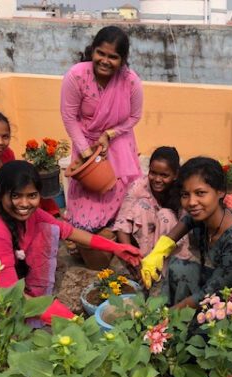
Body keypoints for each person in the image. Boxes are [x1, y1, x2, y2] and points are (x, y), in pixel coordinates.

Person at [0, 161, 141, 299]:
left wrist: (116, 247)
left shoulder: (32, 214)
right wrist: (70, 320)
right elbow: (10, 292)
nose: (24, 203)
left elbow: (70, 232)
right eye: (15, 195)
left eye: (31, 195)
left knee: (47, 229)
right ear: (0, 194)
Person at [140, 156, 232, 335]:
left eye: (200, 193)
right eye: (186, 195)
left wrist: (168, 317)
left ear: (220, 192)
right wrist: (158, 251)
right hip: (227, 288)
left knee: (197, 332)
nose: (192, 202)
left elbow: (208, 293)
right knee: (178, 267)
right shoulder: (205, 215)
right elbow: (183, 225)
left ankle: (177, 332)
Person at [61, 25, 143, 232]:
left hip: (119, 141)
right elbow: (69, 117)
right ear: (92, 50)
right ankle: (84, 233)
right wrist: (88, 154)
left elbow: (135, 116)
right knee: (89, 191)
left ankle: (113, 231)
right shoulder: (77, 75)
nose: (105, 61)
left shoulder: (130, 81)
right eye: (101, 53)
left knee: (118, 191)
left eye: (113, 57)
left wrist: (109, 134)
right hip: (85, 142)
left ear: (122, 60)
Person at [113, 146, 190, 258]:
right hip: (145, 244)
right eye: (153, 173)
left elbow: (186, 225)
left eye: (164, 175)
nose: (157, 179)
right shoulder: (139, 186)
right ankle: (146, 262)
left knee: (166, 214)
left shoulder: (183, 191)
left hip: (171, 245)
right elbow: (122, 223)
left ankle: (166, 266)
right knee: (141, 206)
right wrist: (128, 254)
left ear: (176, 175)